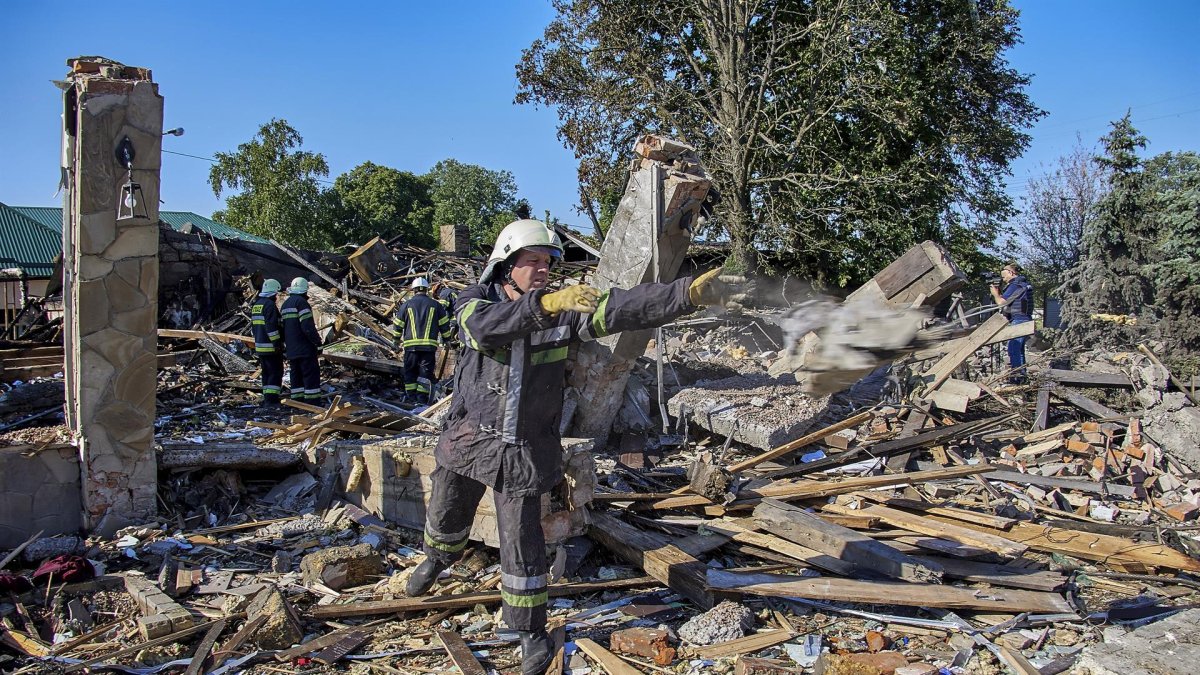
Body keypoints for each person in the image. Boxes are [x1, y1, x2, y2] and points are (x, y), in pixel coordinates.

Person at [404, 219, 745, 675]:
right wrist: (545, 305)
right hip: (469, 437)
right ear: (506, 265)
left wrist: (685, 294)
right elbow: (487, 331)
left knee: (522, 542)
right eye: (533, 261)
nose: (543, 269)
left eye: (548, 263)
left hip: (522, 449)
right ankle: (436, 561)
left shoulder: (565, 313)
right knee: (447, 509)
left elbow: (623, 307)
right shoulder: (474, 303)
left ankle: (529, 631)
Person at [392, 276, 454, 404]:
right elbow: (444, 325)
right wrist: (447, 340)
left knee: (410, 372)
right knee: (425, 373)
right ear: (427, 290)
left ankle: (410, 397)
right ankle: (421, 399)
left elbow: (398, 325)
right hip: (429, 347)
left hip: (411, 347)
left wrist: (396, 342)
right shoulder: (436, 305)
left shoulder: (406, 305)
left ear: (413, 290)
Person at [281, 277, 324, 401]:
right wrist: (317, 342)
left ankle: (297, 401)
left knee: (296, 374)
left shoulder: (285, 304)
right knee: (310, 374)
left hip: (291, 348)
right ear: (305, 290)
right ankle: (313, 401)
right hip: (304, 347)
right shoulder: (301, 303)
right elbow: (307, 327)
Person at [990, 262, 1034, 383]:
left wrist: (995, 293)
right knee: (1018, 350)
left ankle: (1017, 378)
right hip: (1024, 318)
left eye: (1004, 276)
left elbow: (1001, 302)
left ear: (1010, 272)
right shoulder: (1024, 284)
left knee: (1014, 349)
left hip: (1019, 320)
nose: (1003, 279)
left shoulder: (1015, 285)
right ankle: (1021, 377)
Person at [250, 278, 285, 406]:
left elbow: (254, 327)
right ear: (273, 293)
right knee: (275, 372)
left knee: (266, 373)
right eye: (276, 294)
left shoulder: (257, 304)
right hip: (270, 347)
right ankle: (272, 400)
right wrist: (277, 344)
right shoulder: (269, 305)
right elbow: (272, 328)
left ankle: (267, 398)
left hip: (260, 346)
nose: (277, 297)